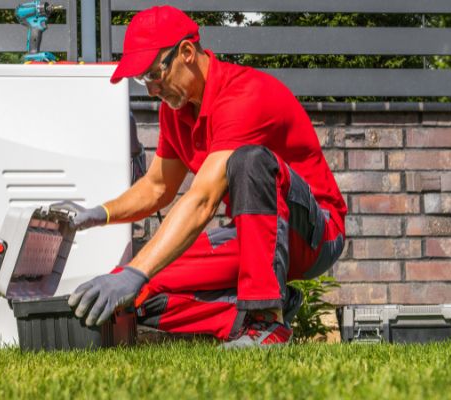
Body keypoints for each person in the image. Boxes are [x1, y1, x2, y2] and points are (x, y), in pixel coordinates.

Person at [51, 5, 346, 347]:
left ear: (187, 52)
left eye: (153, 75)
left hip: (314, 234)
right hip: (254, 237)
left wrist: (137, 270)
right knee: (138, 296)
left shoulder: (244, 95)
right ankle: (258, 311)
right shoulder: (175, 111)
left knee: (249, 161)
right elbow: (156, 187)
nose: (150, 90)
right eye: (141, 80)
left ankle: (266, 322)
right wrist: (99, 214)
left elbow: (203, 198)